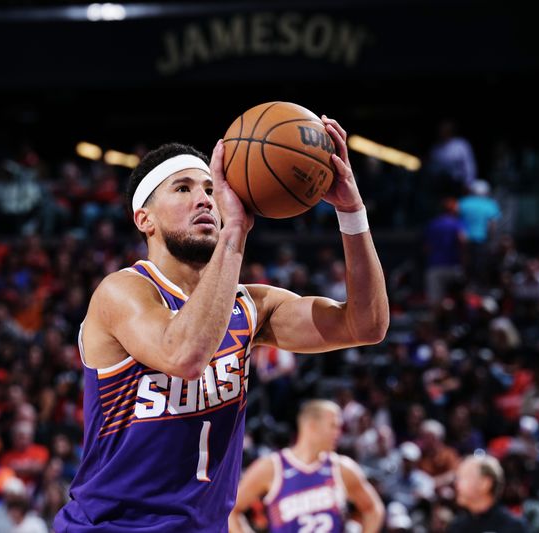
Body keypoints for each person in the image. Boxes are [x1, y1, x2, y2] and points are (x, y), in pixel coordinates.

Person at [53, 115, 389, 532]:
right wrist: (235, 233)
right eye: (183, 188)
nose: (205, 199)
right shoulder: (122, 292)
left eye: (212, 189)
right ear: (144, 219)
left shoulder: (251, 305)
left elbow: (366, 324)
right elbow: (184, 354)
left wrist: (352, 212)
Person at [228, 400, 384, 533]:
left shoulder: (342, 468)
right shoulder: (272, 467)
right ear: (312, 426)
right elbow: (231, 511)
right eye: (333, 426)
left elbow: (374, 510)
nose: (338, 433)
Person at [447, 454, 526, 533]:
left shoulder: (512, 526)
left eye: (463, 478)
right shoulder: (456, 526)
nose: (456, 485)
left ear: (485, 483)